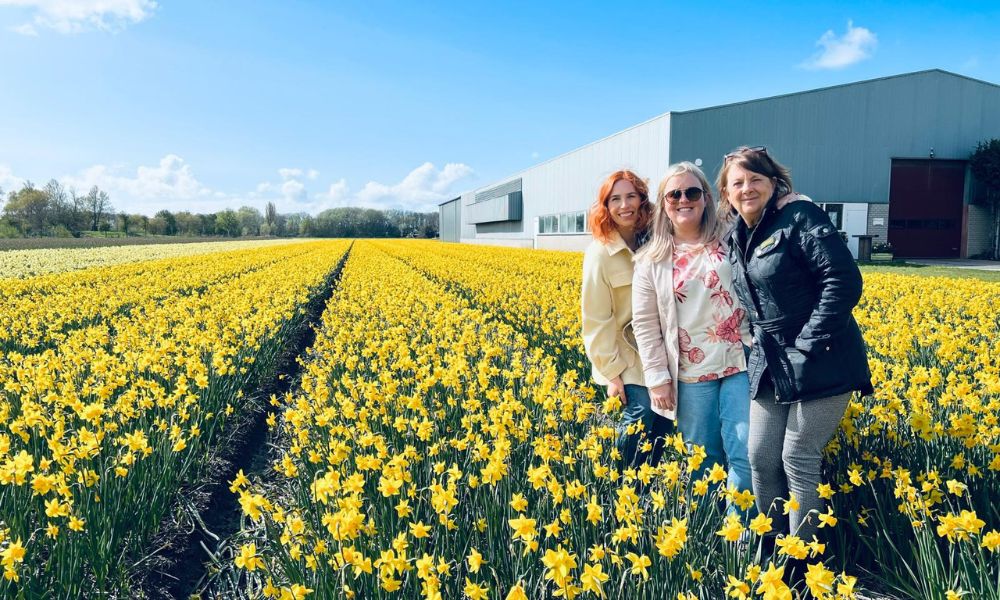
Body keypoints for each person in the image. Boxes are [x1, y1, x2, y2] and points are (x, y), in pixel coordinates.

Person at [717, 145, 873, 551]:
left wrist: (806, 346)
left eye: (756, 179)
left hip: (823, 356)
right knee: (759, 457)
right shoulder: (738, 234)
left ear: (774, 183)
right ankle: (772, 547)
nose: (747, 188)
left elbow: (843, 280)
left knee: (798, 456)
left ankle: (799, 562)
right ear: (726, 193)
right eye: (738, 182)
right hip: (770, 361)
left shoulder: (800, 217)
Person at [631, 162, 754, 505]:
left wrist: (792, 198)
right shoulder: (650, 260)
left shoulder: (734, 238)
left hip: (739, 362)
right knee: (703, 459)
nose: (684, 199)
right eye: (675, 194)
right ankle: (712, 535)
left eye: (692, 192)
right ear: (664, 203)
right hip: (690, 372)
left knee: (745, 452)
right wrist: (657, 378)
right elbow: (645, 324)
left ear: (706, 198)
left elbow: (765, 198)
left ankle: (740, 535)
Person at [582, 169, 673, 471]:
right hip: (627, 358)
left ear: (642, 200)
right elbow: (596, 319)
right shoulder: (600, 253)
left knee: (662, 425)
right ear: (605, 206)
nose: (625, 205)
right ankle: (620, 489)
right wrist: (611, 373)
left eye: (631, 196)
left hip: (659, 352)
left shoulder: (655, 242)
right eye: (615, 199)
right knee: (640, 419)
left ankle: (643, 490)